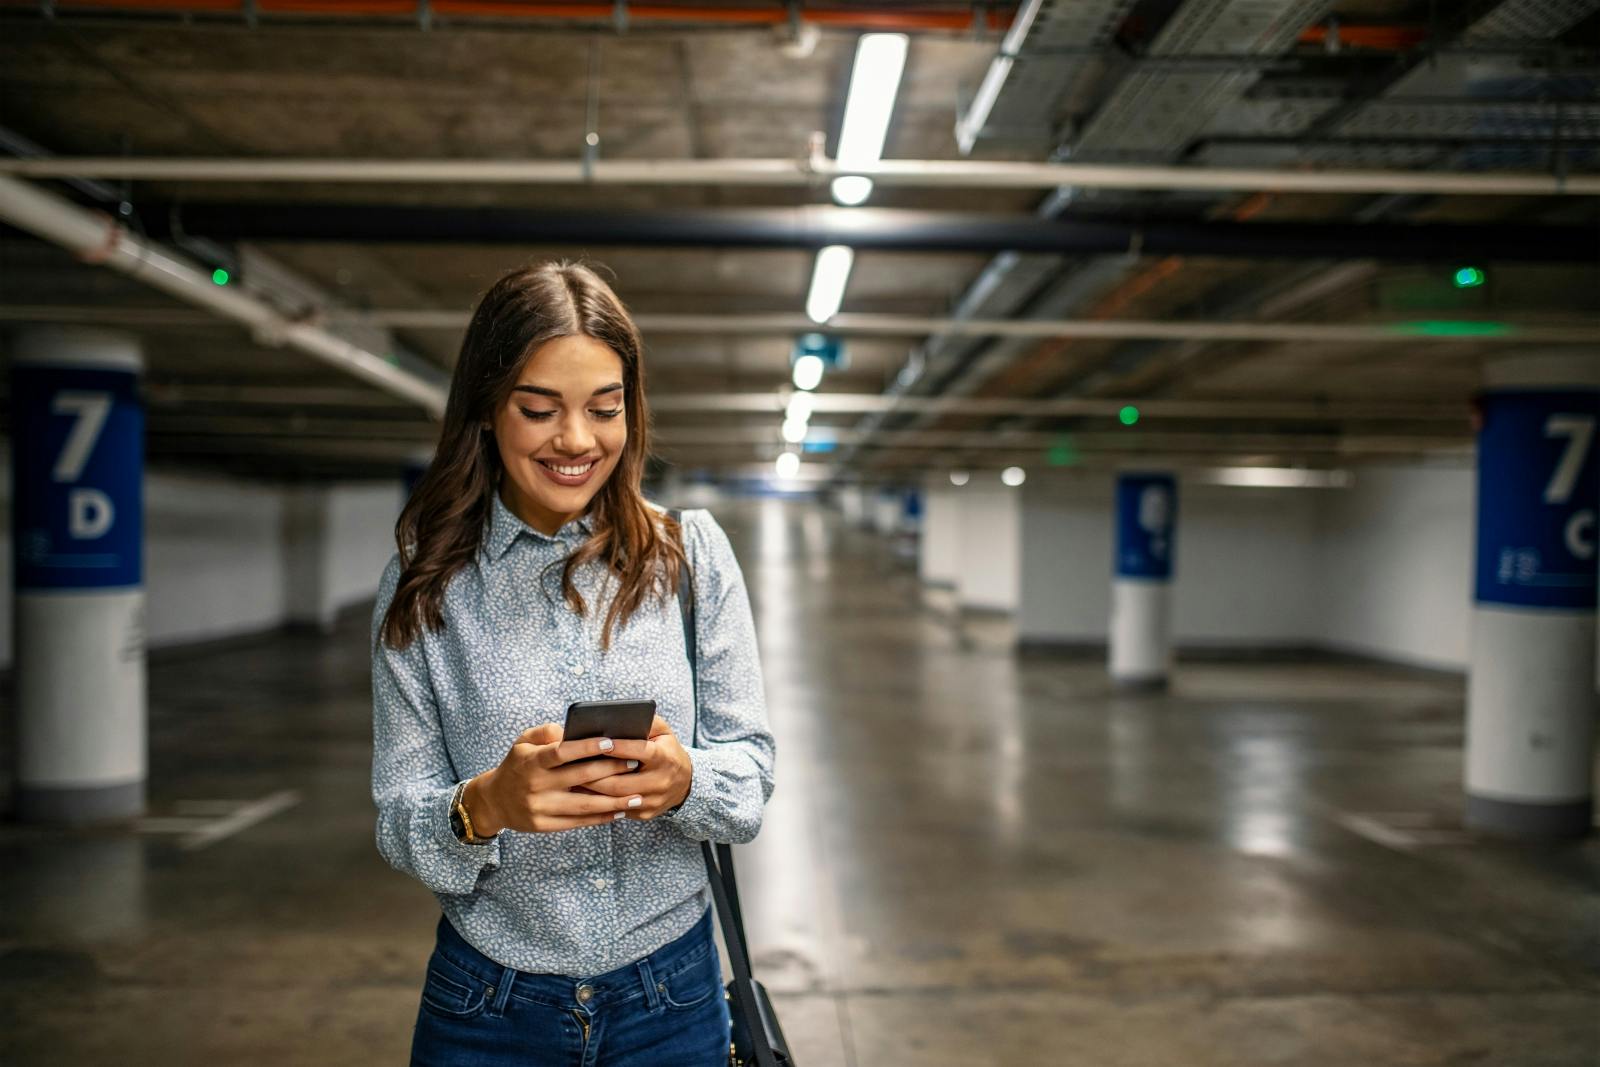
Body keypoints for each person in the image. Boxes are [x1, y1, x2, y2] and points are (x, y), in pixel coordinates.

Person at [370, 260, 776, 1066]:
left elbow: (752, 778)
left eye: (604, 408)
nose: (577, 440)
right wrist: (484, 804)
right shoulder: (425, 579)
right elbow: (397, 819)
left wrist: (684, 779)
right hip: (487, 1005)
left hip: (673, 997)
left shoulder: (691, 558)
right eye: (539, 408)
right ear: (487, 408)